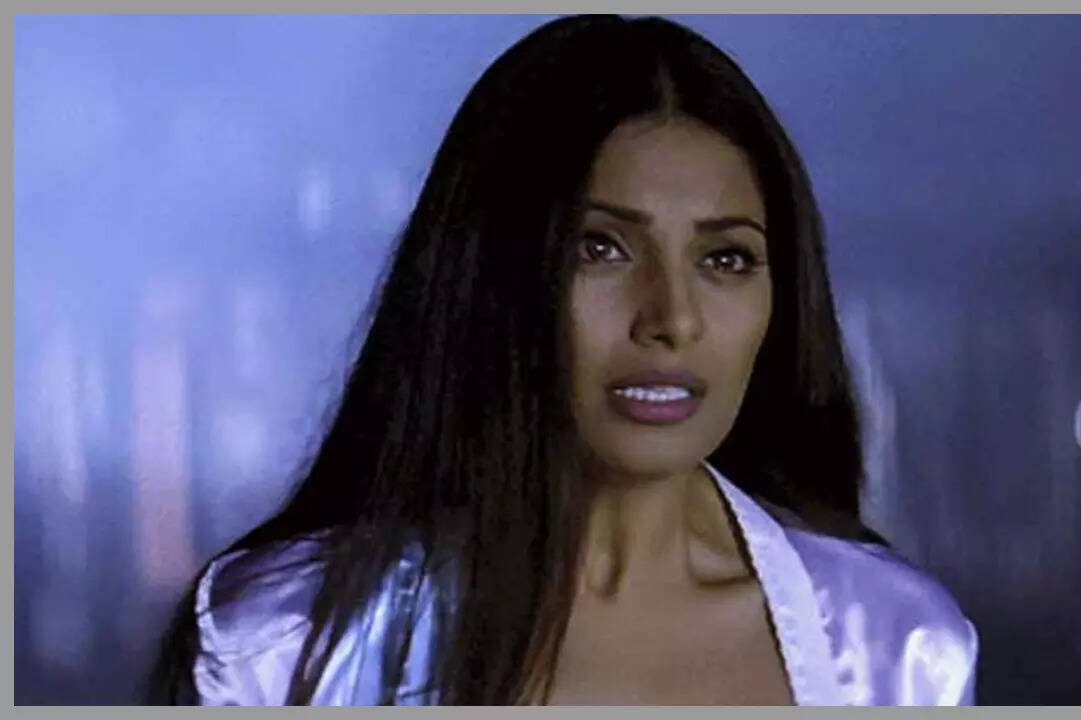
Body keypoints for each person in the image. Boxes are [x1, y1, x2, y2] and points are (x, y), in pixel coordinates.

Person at [148, 14, 978, 706]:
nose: (672, 318)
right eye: (601, 248)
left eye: (725, 259)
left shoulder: (899, 652)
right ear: (489, 277)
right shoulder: (283, 648)